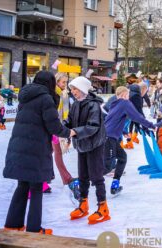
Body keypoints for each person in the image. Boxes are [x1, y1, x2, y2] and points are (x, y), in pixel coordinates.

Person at [3, 71, 74, 234]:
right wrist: (70, 132)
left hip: (19, 146)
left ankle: (12, 225)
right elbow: (54, 127)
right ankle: (34, 229)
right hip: (35, 149)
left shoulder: (25, 96)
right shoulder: (45, 98)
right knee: (35, 187)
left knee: (22, 186)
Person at [65, 76, 109, 225]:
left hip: (95, 144)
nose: (73, 92)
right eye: (72, 89)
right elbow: (70, 121)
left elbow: (93, 126)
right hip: (82, 144)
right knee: (83, 175)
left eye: (75, 89)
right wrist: (62, 127)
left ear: (83, 89)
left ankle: (103, 207)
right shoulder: (76, 105)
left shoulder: (93, 106)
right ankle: (83, 205)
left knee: (96, 176)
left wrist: (74, 132)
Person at [105, 86, 155, 195]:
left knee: (122, 158)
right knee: (107, 167)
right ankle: (81, 181)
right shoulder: (124, 103)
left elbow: (113, 121)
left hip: (109, 137)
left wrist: (123, 132)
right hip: (108, 139)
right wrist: (151, 125)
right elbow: (137, 117)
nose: (128, 98)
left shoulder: (114, 105)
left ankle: (115, 184)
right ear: (124, 95)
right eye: (127, 95)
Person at [52, 72, 79, 199]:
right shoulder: (56, 93)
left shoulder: (63, 93)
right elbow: (55, 112)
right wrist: (60, 129)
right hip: (54, 128)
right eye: (63, 82)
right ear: (57, 82)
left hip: (58, 126)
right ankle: (65, 178)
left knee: (53, 152)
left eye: (66, 82)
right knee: (56, 152)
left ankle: (48, 178)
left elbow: (65, 113)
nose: (65, 84)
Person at [124, 83, 148, 149]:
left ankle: (129, 141)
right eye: (145, 91)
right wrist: (145, 125)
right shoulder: (137, 96)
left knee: (126, 127)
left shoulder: (132, 92)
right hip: (125, 115)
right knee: (125, 128)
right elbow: (139, 112)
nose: (145, 94)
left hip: (126, 115)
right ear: (143, 89)